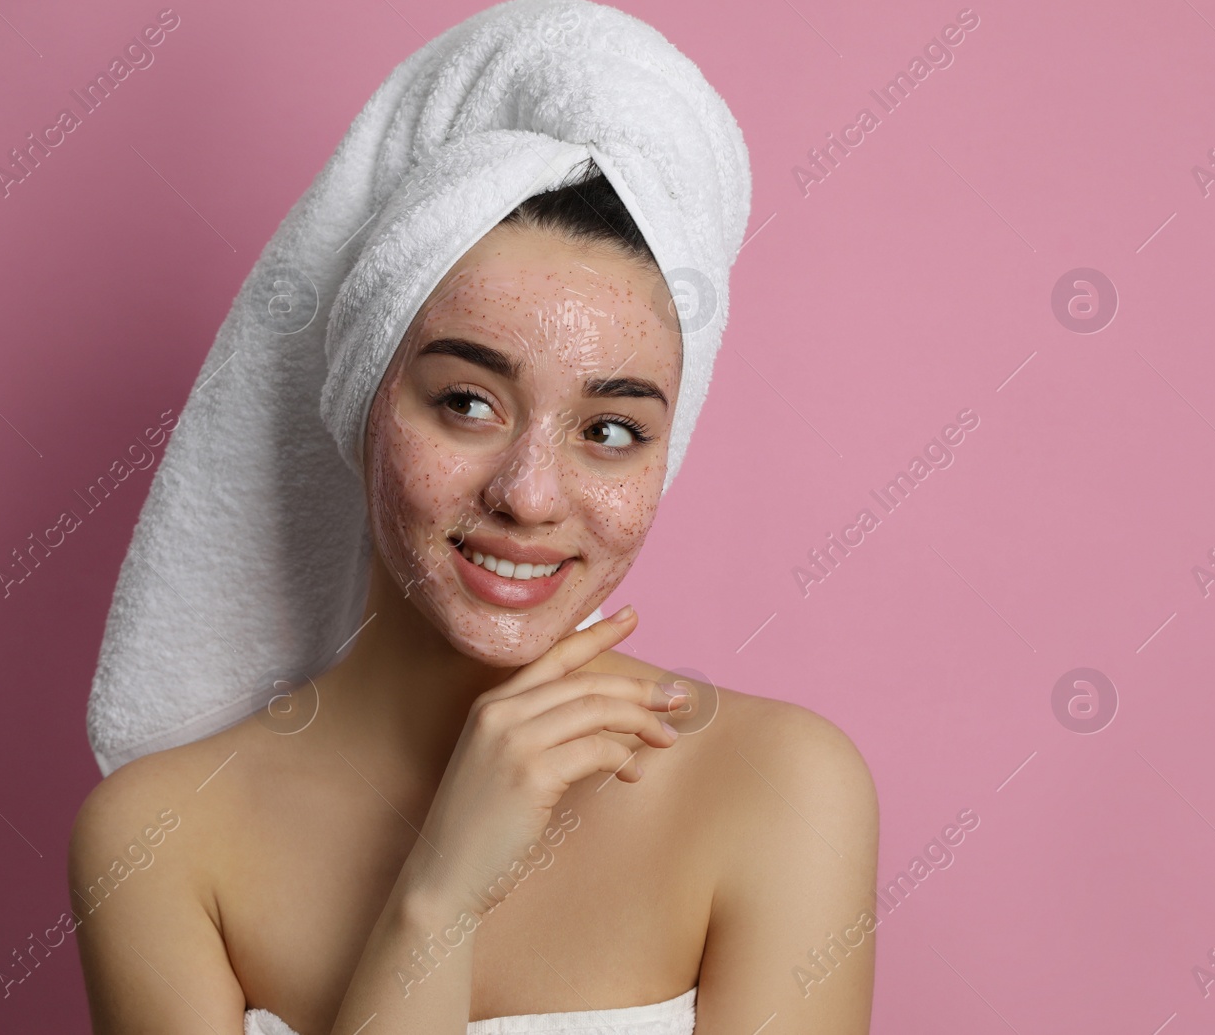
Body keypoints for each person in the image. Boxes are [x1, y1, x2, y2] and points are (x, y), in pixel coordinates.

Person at [68, 160, 879, 1033]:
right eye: (467, 402)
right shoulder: (161, 840)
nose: (529, 496)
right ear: (362, 403)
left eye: (611, 430)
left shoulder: (778, 789)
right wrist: (440, 894)